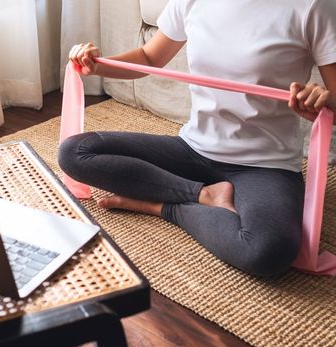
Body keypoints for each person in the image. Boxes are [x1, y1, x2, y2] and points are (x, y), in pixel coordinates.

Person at [59, 0, 336, 278]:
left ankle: (161, 205)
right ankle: (203, 195)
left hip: (264, 166)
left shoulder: (311, 7)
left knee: (266, 252)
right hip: (193, 149)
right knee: (75, 151)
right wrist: (96, 66)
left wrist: (321, 99)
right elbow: (149, 57)